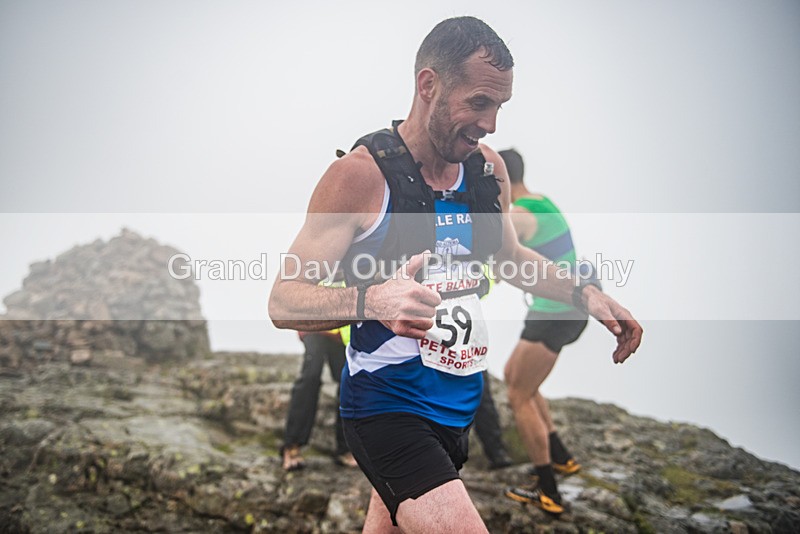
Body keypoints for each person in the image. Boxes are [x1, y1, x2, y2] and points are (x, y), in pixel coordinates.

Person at [269, 16, 642, 533]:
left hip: (455, 409)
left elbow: (509, 258)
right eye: (479, 103)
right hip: (386, 407)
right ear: (429, 86)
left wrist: (587, 295)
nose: (491, 125)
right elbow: (284, 300)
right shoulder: (359, 177)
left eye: (499, 107)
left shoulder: (487, 170)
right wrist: (372, 302)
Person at [499, 148, 595, 515]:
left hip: (556, 312)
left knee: (518, 395)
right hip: (558, 309)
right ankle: (561, 457)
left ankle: (550, 492)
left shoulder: (519, 216)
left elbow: (496, 237)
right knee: (515, 377)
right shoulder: (542, 202)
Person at [281, 329, 358, 471]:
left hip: (343, 331)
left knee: (349, 380)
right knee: (311, 376)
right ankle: (292, 446)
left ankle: (346, 449)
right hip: (314, 324)